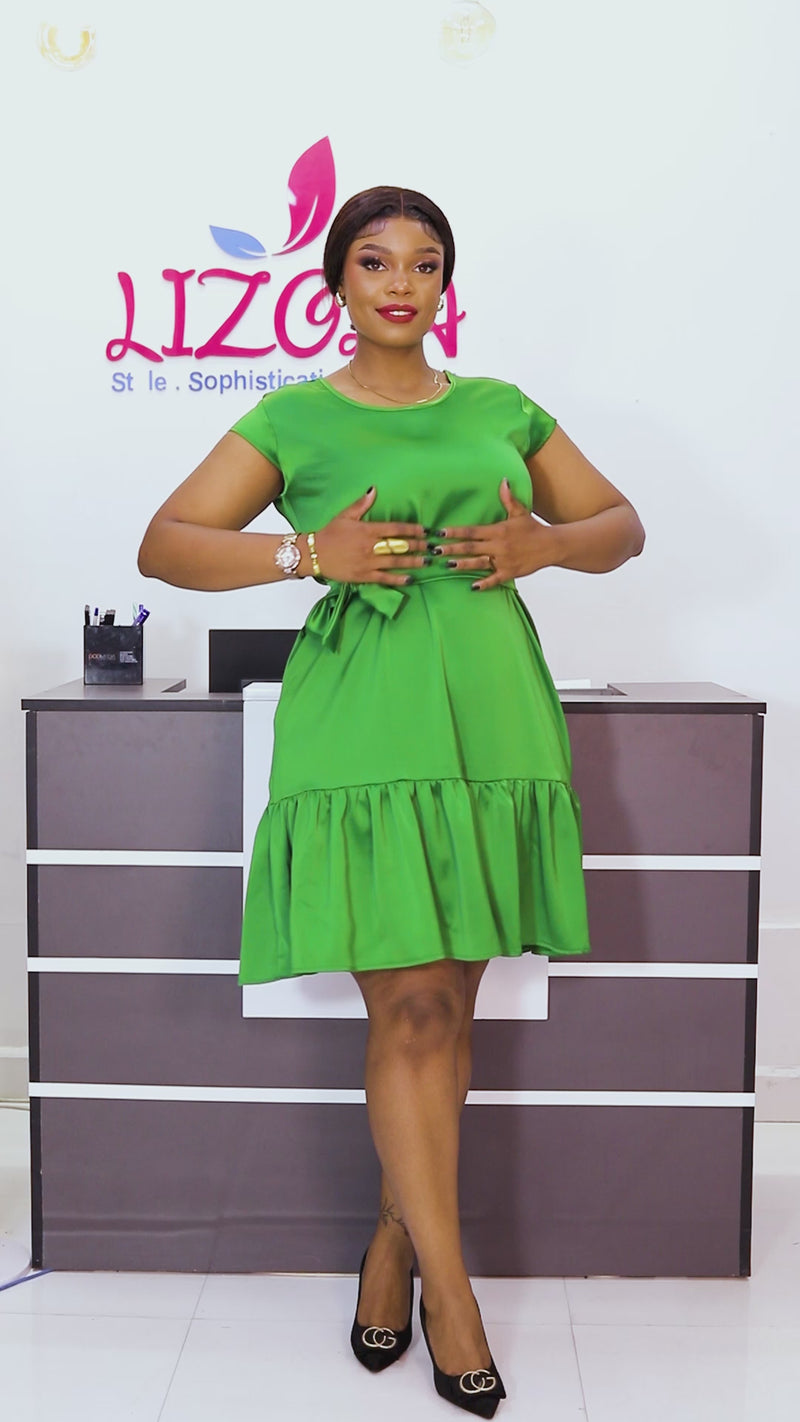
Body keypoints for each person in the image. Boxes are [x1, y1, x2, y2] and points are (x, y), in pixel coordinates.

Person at [138, 185, 645, 1417]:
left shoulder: (499, 408)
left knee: (447, 1009)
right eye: (374, 262)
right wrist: (306, 553)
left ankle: (390, 1241)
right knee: (412, 1005)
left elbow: (619, 526)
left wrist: (543, 545)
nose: (400, 283)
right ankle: (451, 1300)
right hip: (362, 726)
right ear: (337, 283)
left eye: (423, 263)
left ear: (444, 285)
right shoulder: (293, 416)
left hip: (491, 718)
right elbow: (166, 543)